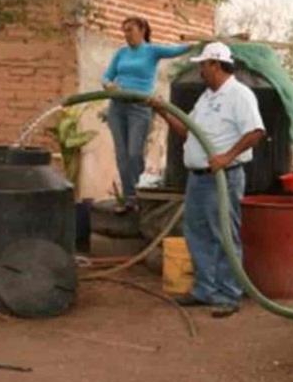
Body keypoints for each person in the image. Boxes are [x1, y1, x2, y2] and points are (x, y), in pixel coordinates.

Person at [150, 42, 265, 318]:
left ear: (215, 64)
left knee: (223, 233)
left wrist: (227, 156)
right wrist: (164, 111)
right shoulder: (206, 98)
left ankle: (228, 293)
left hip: (223, 178)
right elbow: (188, 132)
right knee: (196, 233)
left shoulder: (240, 95)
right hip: (198, 179)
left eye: (203, 65)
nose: (200, 70)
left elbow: (256, 131)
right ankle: (205, 290)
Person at [102, 16, 192, 213]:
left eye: (130, 30)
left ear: (142, 30)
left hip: (139, 107)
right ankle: (129, 200)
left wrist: (202, 42)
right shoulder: (121, 53)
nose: (126, 35)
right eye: (124, 31)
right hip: (118, 107)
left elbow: (178, 50)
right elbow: (107, 75)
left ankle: (137, 190)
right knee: (121, 155)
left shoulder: (152, 51)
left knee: (134, 153)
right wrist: (108, 84)